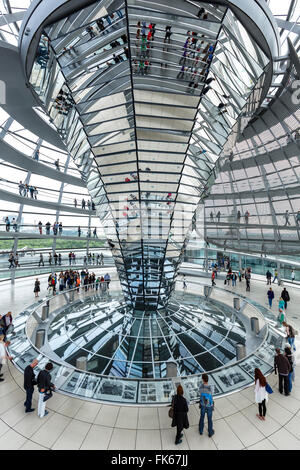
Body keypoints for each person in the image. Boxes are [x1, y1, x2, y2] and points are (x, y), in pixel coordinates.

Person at [198, 373, 214, 437]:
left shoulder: (201, 386)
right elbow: (212, 392)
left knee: (202, 417)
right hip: (209, 405)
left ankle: (201, 431)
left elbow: (199, 392)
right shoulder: (210, 387)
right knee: (209, 419)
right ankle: (210, 432)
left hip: (202, 405)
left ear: (203, 379)